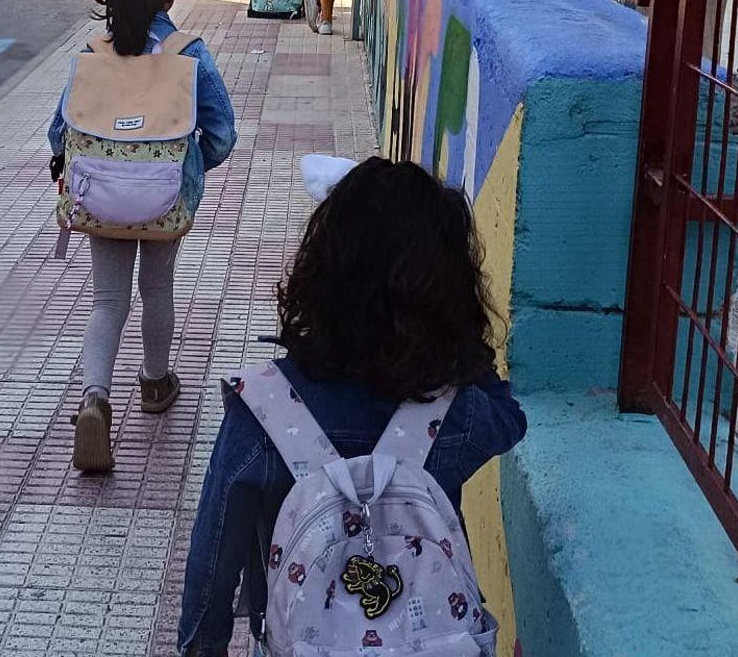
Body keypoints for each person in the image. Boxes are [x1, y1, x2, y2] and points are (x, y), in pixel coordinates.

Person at [177, 156, 527, 655]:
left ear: (322, 272)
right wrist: (464, 338)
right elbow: (511, 418)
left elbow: (212, 568)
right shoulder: (456, 413)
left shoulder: (262, 409)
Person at [48, 0, 237, 474]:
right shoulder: (189, 53)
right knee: (157, 289)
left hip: (101, 199)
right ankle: (155, 383)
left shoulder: (94, 53)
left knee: (107, 300)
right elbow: (222, 135)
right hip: (163, 199)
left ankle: (95, 399)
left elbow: (59, 133)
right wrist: (182, 167)